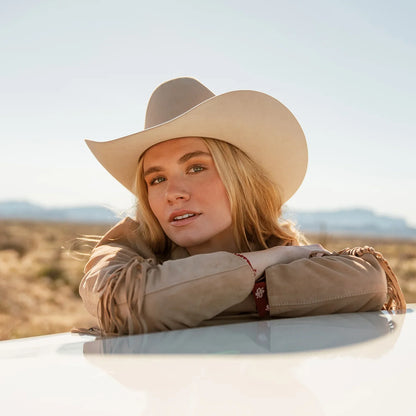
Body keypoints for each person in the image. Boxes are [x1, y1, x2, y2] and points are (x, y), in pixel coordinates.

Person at [79, 77, 403, 336]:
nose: (173, 193)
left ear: (238, 178)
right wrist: (267, 263)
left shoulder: (273, 239)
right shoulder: (126, 245)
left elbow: (368, 281)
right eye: (156, 179)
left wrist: (179, 300)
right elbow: (121, 302)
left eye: (196, 168)